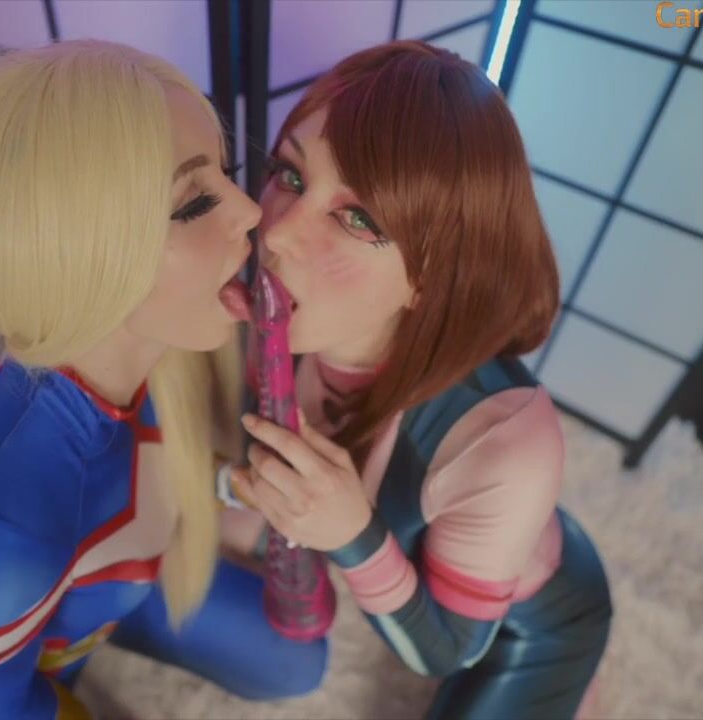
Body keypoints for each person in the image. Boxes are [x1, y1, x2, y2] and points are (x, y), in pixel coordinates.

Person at [0, 40, 327, 719]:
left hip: (110, 587)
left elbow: (141, 476)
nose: (250, 211)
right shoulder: (2, 521)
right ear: (85, 253)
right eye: (194, 203)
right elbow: (1, 705)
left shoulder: (157, 360)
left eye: (225, 173)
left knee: (296, 660)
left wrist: (242, 489)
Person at [225, 40, 612, 720]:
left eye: (356, 217)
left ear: (431, 275)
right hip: (443, 531)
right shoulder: (280, 320)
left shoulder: (507, 440)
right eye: (289, 174)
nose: (277, 234)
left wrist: (354, 536)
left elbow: (442, 650)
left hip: (532, 622)